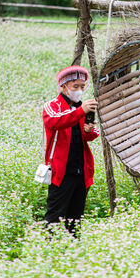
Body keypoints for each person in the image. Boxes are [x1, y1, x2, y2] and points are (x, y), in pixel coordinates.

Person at [42, 65, 99, 235]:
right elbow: (55, 122)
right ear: (63, 86)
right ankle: (49, 249)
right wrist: (81, 111)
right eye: (75, 86)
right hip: (61, 172)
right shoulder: (52, 106)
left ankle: (71, 251)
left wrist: (88, 130)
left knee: (75, 218)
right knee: (54, 215)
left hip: (81, 171)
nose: (79, 90)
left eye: (82, 87)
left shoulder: (82, 108)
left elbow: (90, 135)